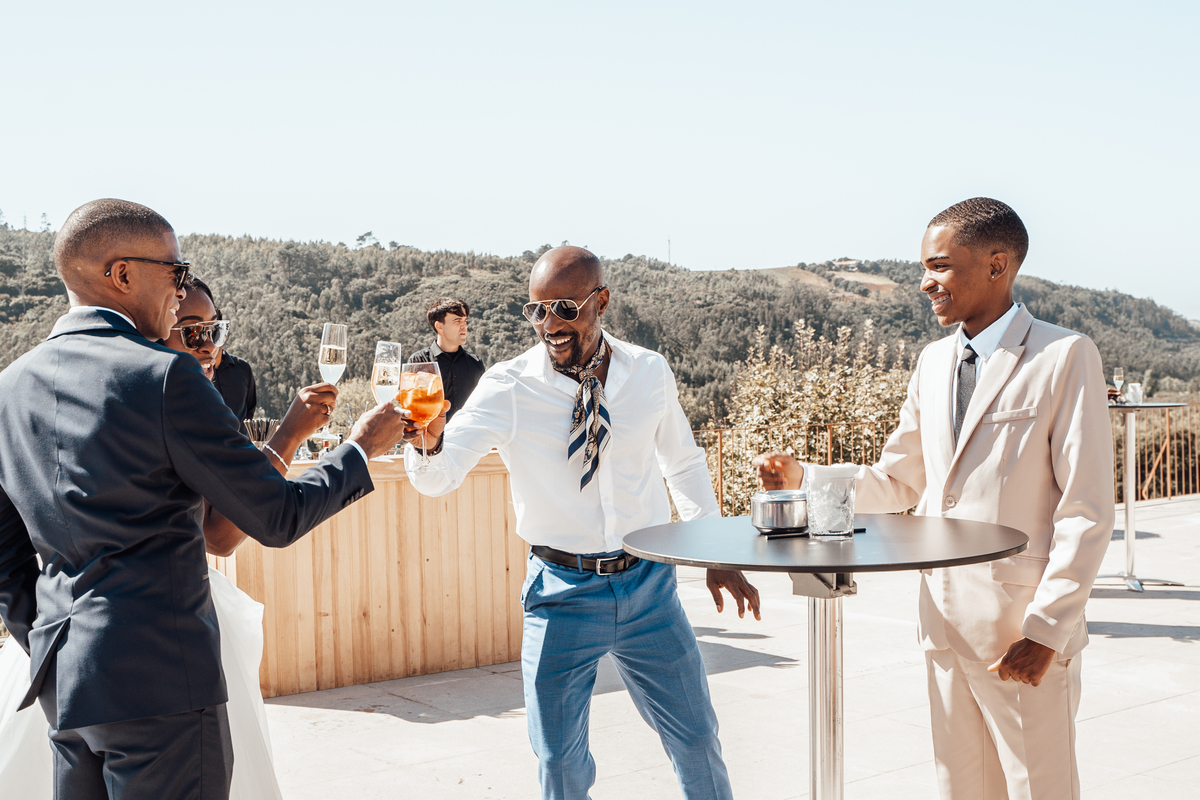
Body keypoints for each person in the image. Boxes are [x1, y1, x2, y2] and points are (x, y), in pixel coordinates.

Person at [0, 198, 408, 800]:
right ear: (122, 274)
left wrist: (51, 643)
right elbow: (276, 516)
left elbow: (7, 557)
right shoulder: (163, 375)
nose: (180, 287)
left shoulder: (9, 388)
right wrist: (360, 448)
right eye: (176, 271)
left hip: (65, 685)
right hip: (162, 682)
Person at [755, 198, 1114, 800]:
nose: (926, 282)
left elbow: (1086, 509)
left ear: (997, 264)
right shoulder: (932, 362)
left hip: (1021, 633)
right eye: (925, 267)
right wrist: (807, 476)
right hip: (943, 627)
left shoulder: (1064, 355)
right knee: (960, 791)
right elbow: (899, 480)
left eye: (940, 266)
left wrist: (1047, 630)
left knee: (1040, 790)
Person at [402, 246, 761, 800]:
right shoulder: (508, 386)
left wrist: (713, 550)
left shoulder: (649, 371)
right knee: (560, 763)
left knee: (696, 739)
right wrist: (426, 442)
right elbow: (438, 477)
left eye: (565, 308)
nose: (550, 324)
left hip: (650, 587)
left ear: (602, 302)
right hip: (560, 593)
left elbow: (683, 462)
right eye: (537, 310)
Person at [184, 278, 257, 433]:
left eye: (216, 331)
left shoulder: (242, 369)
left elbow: (249, 412)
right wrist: (289, 435)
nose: (210, 345)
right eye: (193, 333)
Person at [409, 297, 484, 421]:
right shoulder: (419, 361)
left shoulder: (476, 363)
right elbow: (413, 407)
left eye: (465, 321)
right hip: (430, 432)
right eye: (457, 321)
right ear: (439, 326)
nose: (464, 326)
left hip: (468, 433)